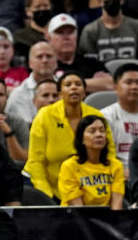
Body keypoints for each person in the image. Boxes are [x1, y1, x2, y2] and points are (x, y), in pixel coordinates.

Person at [24, 71, 115, 200]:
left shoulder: (96, 116)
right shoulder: (45, 116)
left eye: (78, 84)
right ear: (60, 93)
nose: (73, 87)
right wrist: (46, 194)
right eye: (68, 84)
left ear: (84, 92)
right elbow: (35, 160)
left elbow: (108, 153)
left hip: (87, 183)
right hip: (48, 183)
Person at [58, 115, 125, 208]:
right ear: (82, 139)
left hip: (107, 219)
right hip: (74, 219)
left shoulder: (116, 165)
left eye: (102, 131)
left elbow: (116, 205)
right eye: (92, 131)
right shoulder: (69, 166)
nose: (99, 135)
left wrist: (115, 221)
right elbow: (77, 208)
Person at [101, 63, 138, 175]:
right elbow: (101, 155)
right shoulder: (105, 116)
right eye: (128, 82)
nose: (134, 87)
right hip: (117, 175)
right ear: (115, 87)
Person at [46, 13, 112, 91]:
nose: (66, 37)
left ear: (76, 36)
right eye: (60, 33)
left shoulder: (92, 63)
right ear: (49, 38)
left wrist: (65, 84)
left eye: (70, 32)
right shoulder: (46, 64)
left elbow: (110, 84)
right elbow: (49, 88)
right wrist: (93, 84)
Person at [6, 40, 58, 124]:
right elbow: (28, 129)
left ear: (56, 62)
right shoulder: (19, 94)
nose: (44, 60)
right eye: (39, 57)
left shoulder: (65, 87)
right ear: (30, 63)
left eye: (49, 56)